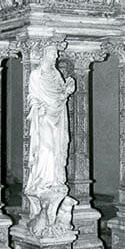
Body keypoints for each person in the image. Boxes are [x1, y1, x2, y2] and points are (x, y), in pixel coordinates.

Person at [24, 46, 76, 195]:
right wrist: (38, 106)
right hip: (45, 116)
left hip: (58, 114)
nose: (56, 57)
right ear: (44, 55)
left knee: (59, 146)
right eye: (53, 54)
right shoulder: (36, 75)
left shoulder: (56, 74)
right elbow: (32, 96)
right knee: (46, 148)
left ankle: (56, 181)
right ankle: (43, 181)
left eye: (56, 54)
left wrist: (67, 89)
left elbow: (60, 93)